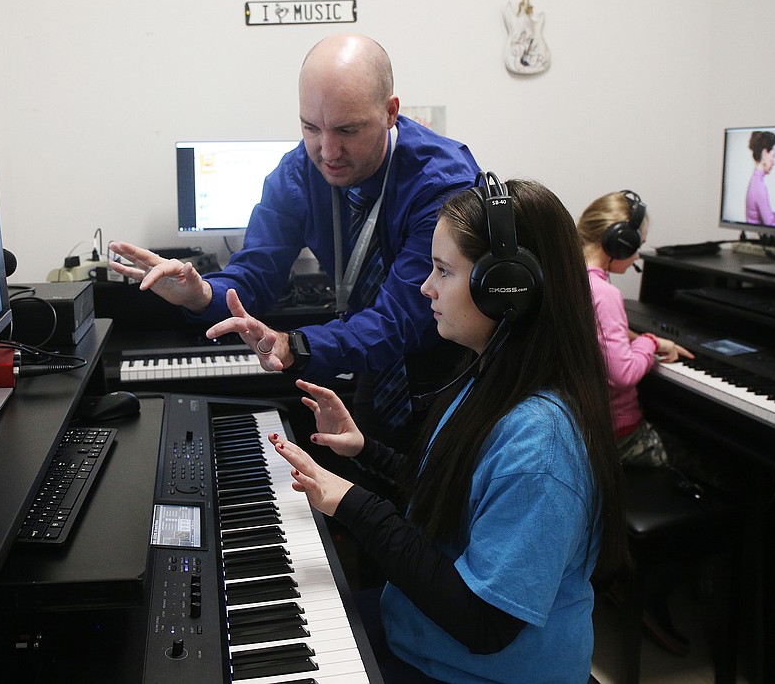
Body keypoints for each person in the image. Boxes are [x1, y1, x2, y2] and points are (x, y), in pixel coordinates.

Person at [269, 177, 629, 684]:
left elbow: (485, 625)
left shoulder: (541, 447)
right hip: (421, 633)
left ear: (506, 287)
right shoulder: (491, 375)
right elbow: (455, 495)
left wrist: (354, 504)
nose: (426, 288)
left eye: (443, 271)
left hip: (478, 669)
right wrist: (365, 450)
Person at [110, 33, 480, 446]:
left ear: (391, 112)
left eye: (347, 129)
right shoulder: (298, 173)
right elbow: (253, 276)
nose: (327, 151)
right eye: (311, 127)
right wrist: (199, 294)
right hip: (375, 372)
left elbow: (402, 320)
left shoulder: (441, 183)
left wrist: (295, 345)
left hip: (450, 372)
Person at [577, 189, 699, 656]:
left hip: (586, 432)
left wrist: (629, 336)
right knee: (706, 468)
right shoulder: (605, 291)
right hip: (620, 437)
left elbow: (601, 338)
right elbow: (622, 371)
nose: (638, 254)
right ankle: (650, 591)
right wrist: (650, 343)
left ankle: (617, 571)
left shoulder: (568, 278)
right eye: (637, 244)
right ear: (619, 241)